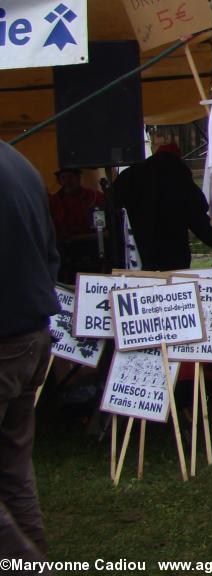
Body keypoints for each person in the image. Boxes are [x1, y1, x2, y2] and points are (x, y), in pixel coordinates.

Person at [0, 141, 60, 563]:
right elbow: (50, 254)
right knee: (13, 470)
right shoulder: (18, 161)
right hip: (31, 332)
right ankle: (29, 557)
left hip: (5, 337)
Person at [112, 143, 212, 271]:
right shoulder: (179, 176)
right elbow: (198, 217)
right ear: (177, 158)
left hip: (139, 252)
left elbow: (112, 207)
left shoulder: (129, 174)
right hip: (174, 254)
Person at [48, 167, 104, 283]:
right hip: (65, 253)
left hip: (92, 249)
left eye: (71, 177)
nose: (68, 181)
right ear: (59, 180)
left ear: (79, 178)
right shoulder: (54, 201)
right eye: (64, 177)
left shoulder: (94, 197)